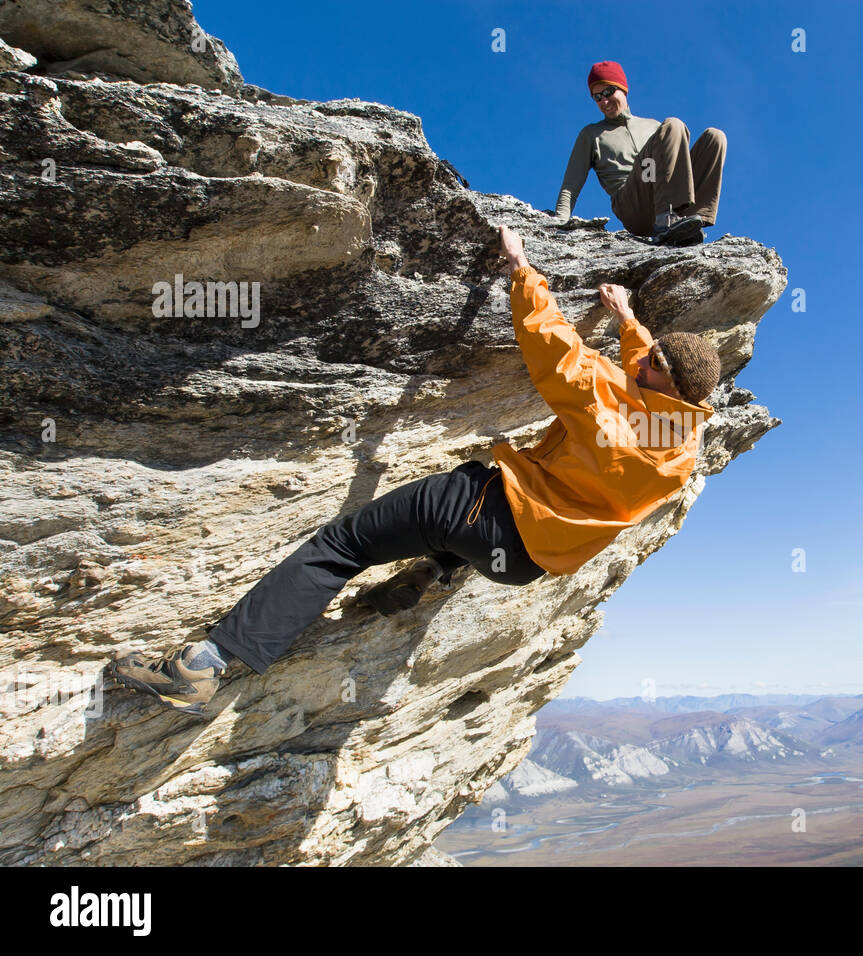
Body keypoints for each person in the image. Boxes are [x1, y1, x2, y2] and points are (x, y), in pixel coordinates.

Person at [109, 225, 723, 717]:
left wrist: (522, 270)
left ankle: (202, 665)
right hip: (523, 564)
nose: (646, 363)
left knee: (342, 545)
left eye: (655, 363)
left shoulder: (611, 401)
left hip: (481, 511)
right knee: (469, 534)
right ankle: (430, 568)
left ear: (667, 384)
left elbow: (559, 356)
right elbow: (653, 380)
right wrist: (629, 323)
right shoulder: (680, 444)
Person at [553, 60, 727, 246]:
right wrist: (557, 221)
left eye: (608, 92)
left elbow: (673, 164)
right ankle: (665, 221)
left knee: (715, 137)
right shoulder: (591, 134)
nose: (604, 101)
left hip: (664, 195)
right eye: (597, 97)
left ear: (623, 89)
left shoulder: (653, 126)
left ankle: (691, 222)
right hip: (633, 205)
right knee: (673, 125)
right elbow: (571, 185)